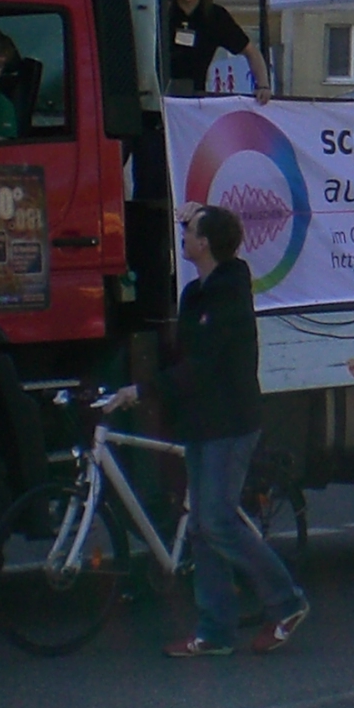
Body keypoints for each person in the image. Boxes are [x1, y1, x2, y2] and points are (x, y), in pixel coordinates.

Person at [116, 205, 312, 657]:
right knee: (202, 527)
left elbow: (201, 366)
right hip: (202, 423)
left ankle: (287, 603)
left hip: (230, 422)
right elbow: (187, 359)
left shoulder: (228, 294)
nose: (183, 235)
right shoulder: (196, 292)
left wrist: (144, 390)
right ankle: (215, 630)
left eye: (189, 231)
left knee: (217, 521)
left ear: (204, 244)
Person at [164, 0, 271, 97]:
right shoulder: (160, 12)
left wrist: (263, 86)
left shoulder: (216, 17)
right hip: (156, 99)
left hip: (194, 101)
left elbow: (251, 52)